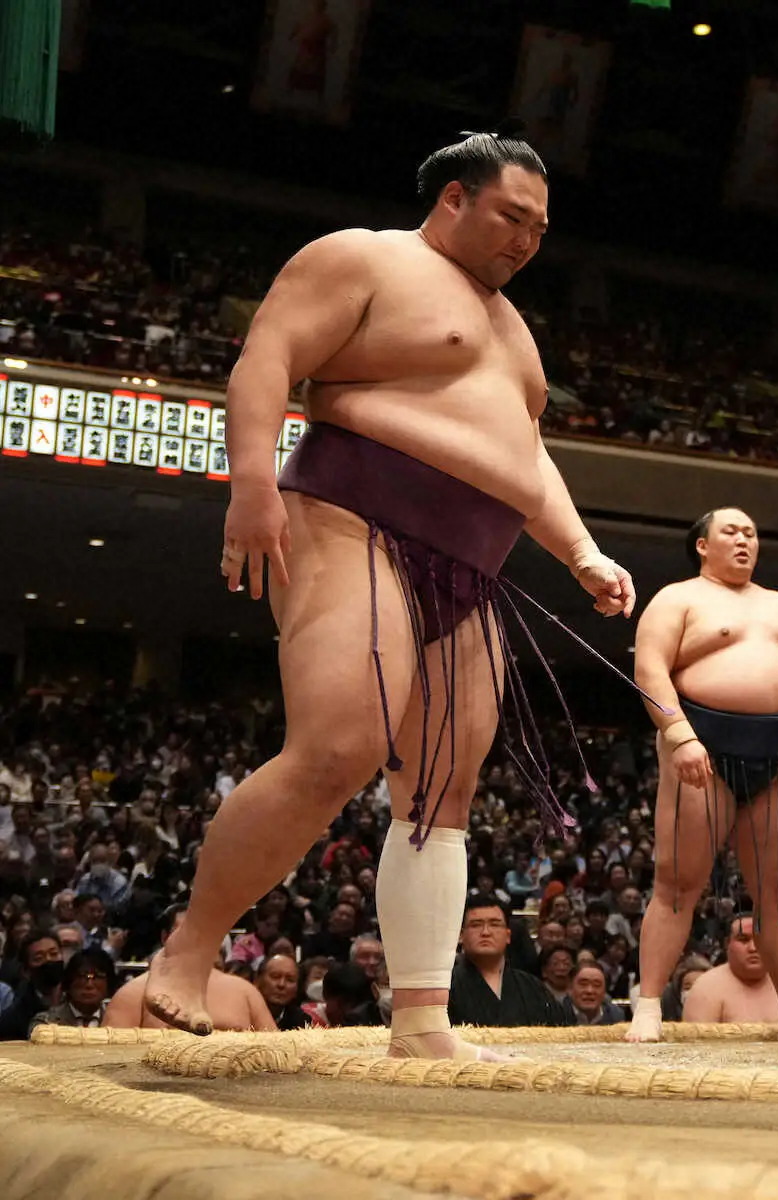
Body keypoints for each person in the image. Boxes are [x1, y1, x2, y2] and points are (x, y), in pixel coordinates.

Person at [143, 128, 635, 1062]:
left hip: (473, 565)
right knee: (337, 746)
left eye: (540, 227)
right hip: (351, 516)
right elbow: (268, 356)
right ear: (453, 197)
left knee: (443, 789)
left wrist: (581, 553)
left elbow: (529, 460)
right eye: (510, 217)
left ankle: (419, 1016)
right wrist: (251, 485)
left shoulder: (515, 331)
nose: (527, 240)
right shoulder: (364, 258)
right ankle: (187, 952)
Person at [628, 509, 778, 1042]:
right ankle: (647, 1007)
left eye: (751, 533)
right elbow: (650, 669)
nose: (744, 540)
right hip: (702, 752)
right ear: (702, 546)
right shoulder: (678, 598)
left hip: (776, 757)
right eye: (731, 532)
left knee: (777, 895)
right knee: (678, 884)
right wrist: (679, 734)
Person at [105, 906, 275, 1032]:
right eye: (185, 932)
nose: (195, 939)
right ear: (165, 937)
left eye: (203, 932)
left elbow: (277, 1054)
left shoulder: (245, 992)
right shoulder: (133, 994)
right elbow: (111, 1060)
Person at [448, 895, 569, 1028]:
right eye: (476, 925)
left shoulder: (532, 987)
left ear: (508, 936)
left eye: (494, 924)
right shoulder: (446, 986)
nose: (486, 932)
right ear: (460, 936)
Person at [683, 916, 778, 1025]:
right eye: (743, 940)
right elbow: (698, 1053)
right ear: (727, 944)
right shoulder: (706, 988)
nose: (753, 948)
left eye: (760, 940)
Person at [28, 947, 117, 1032]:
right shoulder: (45, 1023)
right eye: (81, 976)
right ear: (68, 982)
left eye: (97, 976)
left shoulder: (120, 1022)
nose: (89, 984)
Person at [0, 930, 64, 1039]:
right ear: (26, 971)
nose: (48, 960)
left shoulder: (80, 995)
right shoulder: (14, 1017)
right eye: (39, 958)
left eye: (53, 954)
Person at [255, 953, 312, 1030]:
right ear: (258, 981)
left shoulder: (302, 1022)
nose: (281, 984)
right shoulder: (241, 1014)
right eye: (275, 976)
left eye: (290, 980)